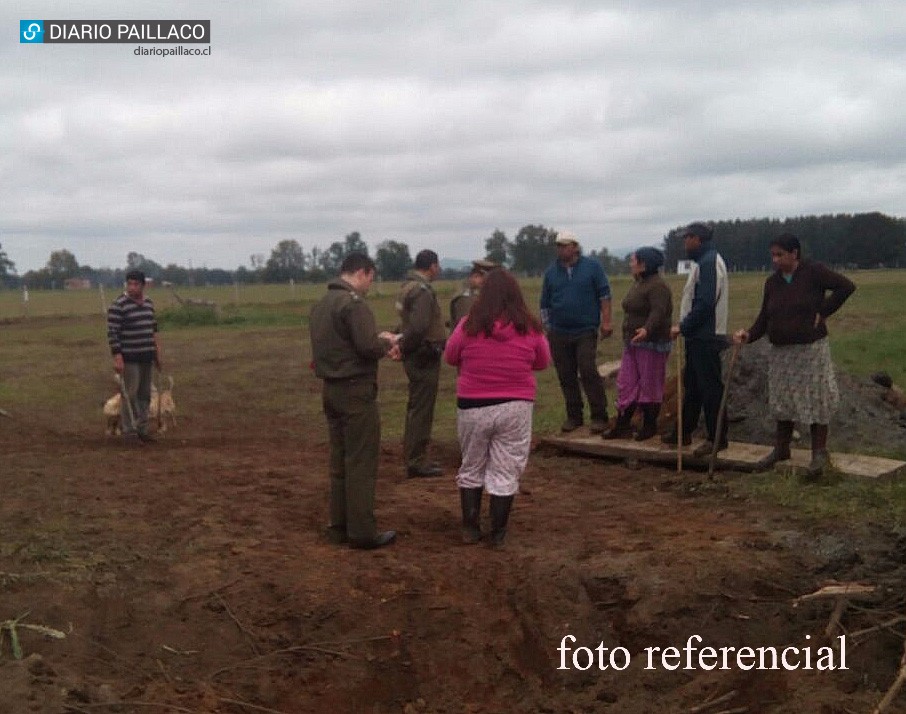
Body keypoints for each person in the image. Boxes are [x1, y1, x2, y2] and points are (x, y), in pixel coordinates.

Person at [444, 269, 551, 546]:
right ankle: (498, 533)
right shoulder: (530, 327)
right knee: (506, 467)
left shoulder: (468, 325)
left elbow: (450, 356)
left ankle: (470, 527)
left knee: (472, 465)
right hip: (515, 405)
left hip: (472, 405)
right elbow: (541, 362)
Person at [733, 234, 855, 476]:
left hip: (810, 350)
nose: (775, 260)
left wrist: (824, 310)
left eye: (780, 255)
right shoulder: (772, 283)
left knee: (815, 398)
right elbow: (764, 318)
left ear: (794, 253)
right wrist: (748, 335)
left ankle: (819, 453)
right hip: (780, 352)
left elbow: (846, 287)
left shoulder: (814, 272)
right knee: (783, 400)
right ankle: (781, 449)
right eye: (773, 255)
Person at [309, 253, 397, 550]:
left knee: (339, 461)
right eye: (371, 278)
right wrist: (387, 341)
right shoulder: (353, 304)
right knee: (360, 461)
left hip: (330, 390)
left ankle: (339, 526)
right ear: (362, 272)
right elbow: (368, 346)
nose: (370, 285)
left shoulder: (321, 305)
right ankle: (361, 532)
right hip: (356, 392)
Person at [664, 222, 730, 456]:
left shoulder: (709, 262)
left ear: (697, 239)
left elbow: (705, 302)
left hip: (706, 335)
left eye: (687, 238)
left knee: (710, 388)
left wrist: (683, 326)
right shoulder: (703, 262)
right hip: (697, 335)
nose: (685, 243)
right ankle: (683, 432)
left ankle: (718, 438)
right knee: (693, 386)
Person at [540, 231, 613, 433]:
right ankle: (574, 416)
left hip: (585, 329)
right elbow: (545, 304)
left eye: (565, 245)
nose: (561, 249)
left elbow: (605, 295)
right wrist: (548, 328)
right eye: (558, 246)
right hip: (559, 331)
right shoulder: (551, 273)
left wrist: (606, 322)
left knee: (588, 369)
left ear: (575, 247)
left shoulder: (592, 267)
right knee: (566, 374)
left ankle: (599, 415)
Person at [603, 247, 673, 441]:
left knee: (650, 385)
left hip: (652, 343)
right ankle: (623, 424)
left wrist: (647, 329)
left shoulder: (658, 286)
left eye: (633, 260)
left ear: (644, 264)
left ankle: (649, 426)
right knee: (626, 383)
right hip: (632, 343)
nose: (630, 264)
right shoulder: (639, 284)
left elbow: (658, 312)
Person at [396, 249, 447, 477]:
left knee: (416, 406)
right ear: (432, 266)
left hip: (415, 354)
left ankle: (412, 455)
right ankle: (416, 461)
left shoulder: (407, 287)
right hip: (423, 355)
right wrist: (405, 346)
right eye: (438, 266)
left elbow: (407, 323)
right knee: (422, 409)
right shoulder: (423, 291)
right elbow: (418, 327)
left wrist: (402, 343)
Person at [107, 269, 163, 442]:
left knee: (145, 394)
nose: (132, 287)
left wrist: (157, 352)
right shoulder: (119, 305)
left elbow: (152, 329)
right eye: (129, 283)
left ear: (143, 285)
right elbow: (113, 333)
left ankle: (142, 428)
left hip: (146, 355)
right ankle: (129, 430)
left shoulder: (149, 304)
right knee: (129, 394)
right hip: (129, 357)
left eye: (136, 284)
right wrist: (118, 357)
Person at [449, 259, 498, 329]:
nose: (486, 281)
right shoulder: (466, 297)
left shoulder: (477, 293)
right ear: (474, 276)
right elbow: (466, 326)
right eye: (480, 277)